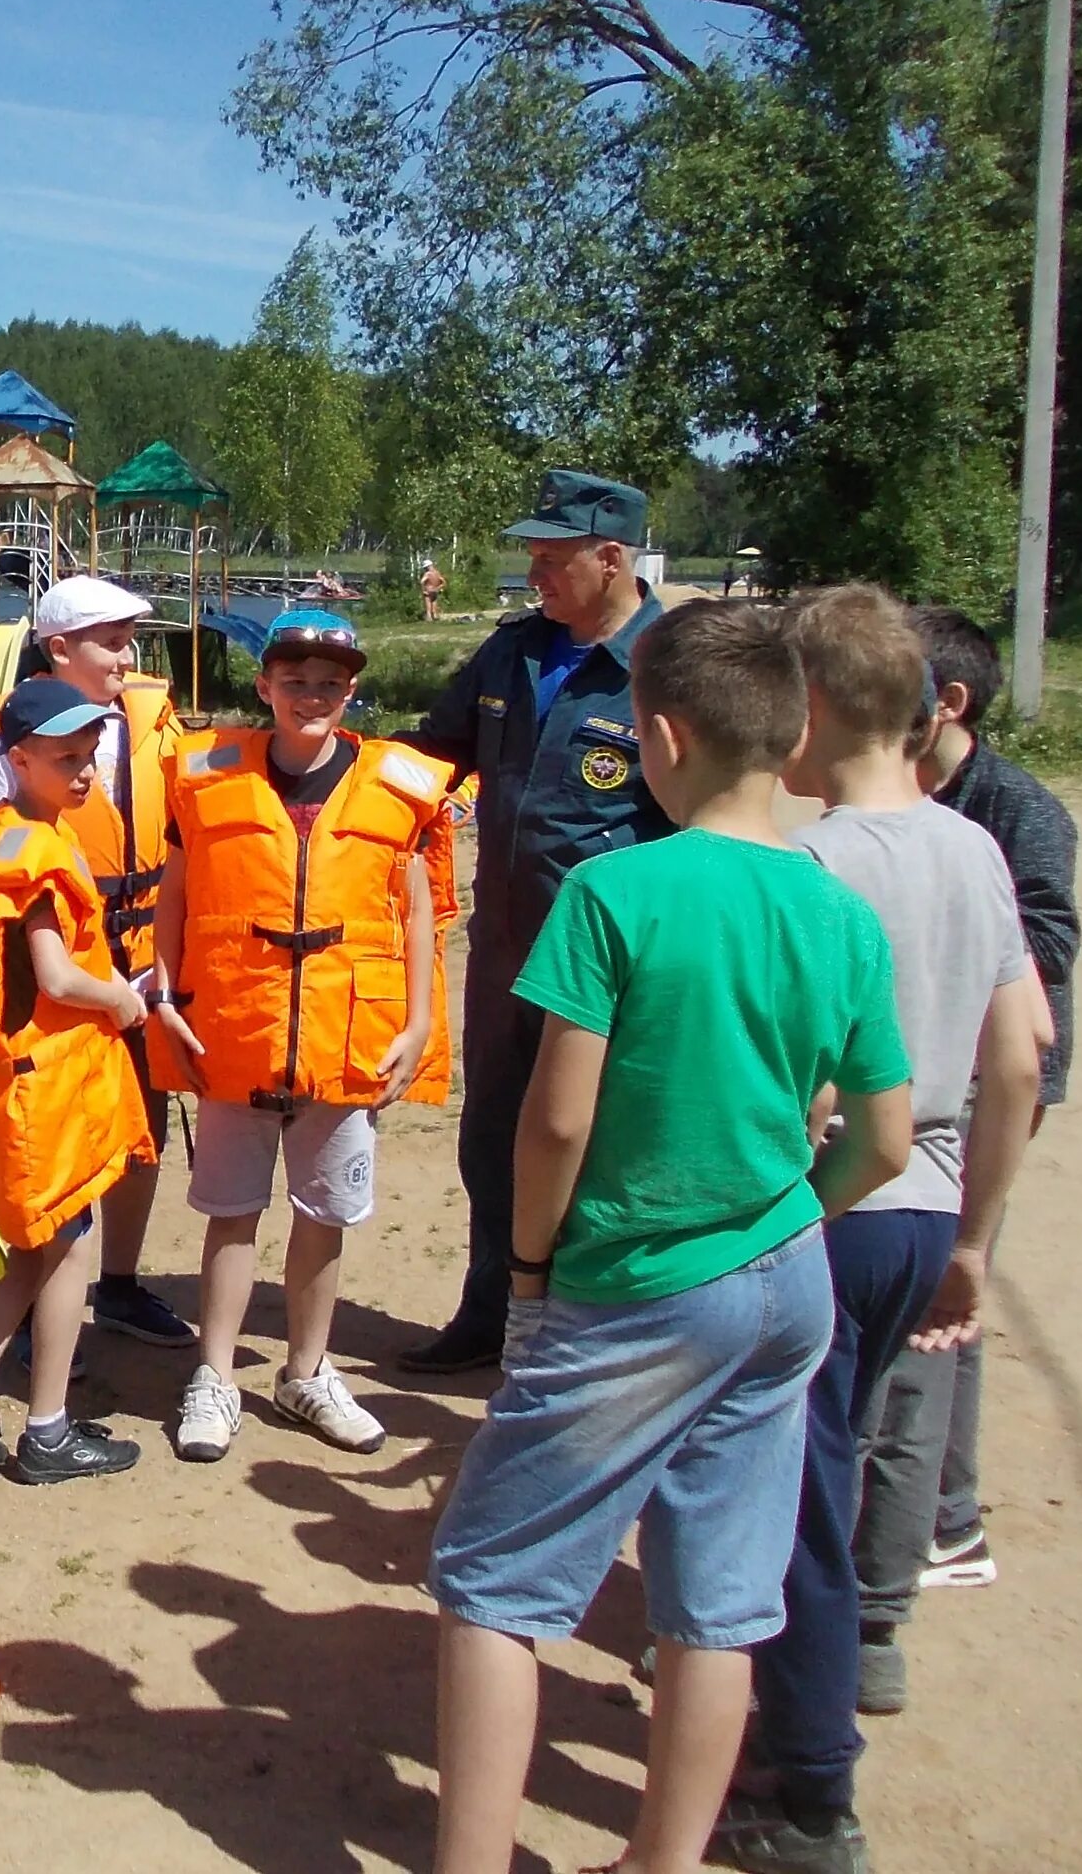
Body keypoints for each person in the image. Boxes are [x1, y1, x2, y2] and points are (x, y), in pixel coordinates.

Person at [425, 600, 914, 1874]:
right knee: (719, 1600)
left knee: (493, 1583)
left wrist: (528, 1269)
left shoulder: (613, 891)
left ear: (656, 736)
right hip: (785, 1281)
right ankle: (662, 1863)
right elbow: (885, 1137)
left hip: (635, 1282)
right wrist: (796, 1216)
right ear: (796, 727)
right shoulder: (836, 908)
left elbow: (556, 1122)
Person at [716, 589, 1046, 1874]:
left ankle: (810, 1792)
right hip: (929, 1218)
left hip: (830, 1211)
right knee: (841, 1466)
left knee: (792, 1503)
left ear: (809, 712)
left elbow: (788, 1083)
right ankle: (813, 1718)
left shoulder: (809, 869)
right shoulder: (975, 851)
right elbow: (1017, 1061)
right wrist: (973, 1238)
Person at [151, 610, 453, 1463]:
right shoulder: (205, 776)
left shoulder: (397, 784)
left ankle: (306, 1372)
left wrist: (422, 1020)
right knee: (230, 1213)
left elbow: (419, 910)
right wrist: (165, 985)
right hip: (235, 1031)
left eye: (329, 682)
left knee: (325, 1212)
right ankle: (214, 1375)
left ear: (351, 689)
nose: (311, 696)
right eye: (295, 681)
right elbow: (175, 893)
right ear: (265, 687)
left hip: (345, 1032)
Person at [395, 470, 675, 1373]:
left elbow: (708, 817)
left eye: (553, 561)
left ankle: (588, 1332)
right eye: (533, 559)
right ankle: (490, 1311)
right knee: (496, 1135)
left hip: (614, 965)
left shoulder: (672, 665)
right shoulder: (512, 654)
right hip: (509, 948)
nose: (534, 577)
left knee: (601, 1140)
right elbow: (430, 754)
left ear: (612, 557)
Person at [0, 575, 195, 1350]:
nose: (128, 654)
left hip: (142, 954)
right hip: (53, 972)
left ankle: (116, 1286)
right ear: (60, 649)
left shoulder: (154, 724)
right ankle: (28, 1300)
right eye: (111, 640)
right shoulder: (9, 745)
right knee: (46, 1138)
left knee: (138, 1121)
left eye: (131, 639)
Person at [0, 678, 156, 1483]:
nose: (85, 773)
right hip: (43, 1095)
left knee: (30, 1244)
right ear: (16, 759)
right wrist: (124, 998)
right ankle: (50, 1430)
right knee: (66, 1249)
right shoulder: (39, 858)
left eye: (90, 757)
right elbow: (57, 979)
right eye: (66, 759)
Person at [906, 603, 1080, 1594]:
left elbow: (1047, 942)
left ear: (949, 702)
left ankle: (945, 1521)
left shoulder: (1017, 809)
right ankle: (944, 1516)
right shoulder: (901, 797)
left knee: (944, 1295)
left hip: (991, 1082)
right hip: (932, 1067)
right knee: (935, 1297)